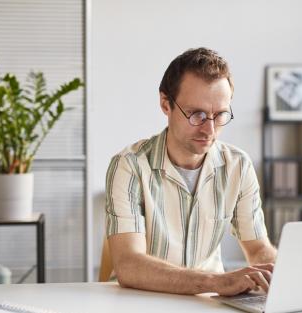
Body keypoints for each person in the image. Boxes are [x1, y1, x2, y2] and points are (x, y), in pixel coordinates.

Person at [105, 47, 276, 296]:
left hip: (209, 305)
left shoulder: (238, 165)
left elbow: (258, 248)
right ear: (166, 104)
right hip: (141, 302)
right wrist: (216, 282)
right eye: (197, 114)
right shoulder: (129, 166)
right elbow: (129, 265)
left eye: (219, 115)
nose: (209, 130)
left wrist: (275, 271)